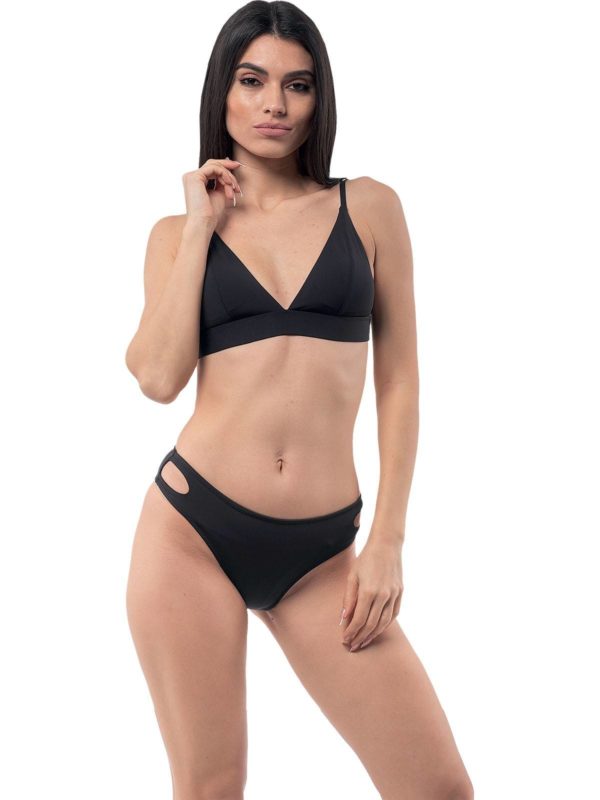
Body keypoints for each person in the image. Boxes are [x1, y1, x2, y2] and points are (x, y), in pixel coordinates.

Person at [124, 2, 474, 798]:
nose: (274, 105)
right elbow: (157, 378)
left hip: (323, 556)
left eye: (297, 85)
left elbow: (400, 380)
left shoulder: (370, 207)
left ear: (320, 98)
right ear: (223, 90)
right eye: (252, 81)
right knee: (211, 788)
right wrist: (201, 225)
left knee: (438, 788)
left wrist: (387, 539)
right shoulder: (175, 234)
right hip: (192, 534)